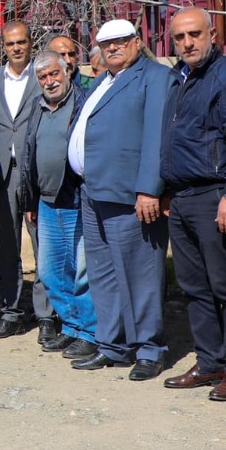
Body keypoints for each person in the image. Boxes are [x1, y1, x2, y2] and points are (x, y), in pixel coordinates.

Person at [159, 9, 226, 401]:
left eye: (194, 34)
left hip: (215, 195)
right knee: (194, 286)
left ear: (213, 34)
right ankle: (210, 361)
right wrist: (168, 188)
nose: (187, 43)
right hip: (182, 197)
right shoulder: (178, 79)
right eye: (180, 37)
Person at [68, 19, 174, 380]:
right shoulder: (103, 80)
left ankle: (149, 348)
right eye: (105, 43)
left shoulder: (155, 77)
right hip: (94, 191)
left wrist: (150, 188)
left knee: (141, 275)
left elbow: (158, 136)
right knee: (103, 274)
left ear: (136, 42)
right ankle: (112, 344)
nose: (112, 48)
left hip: (131, 194)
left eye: (120, 41)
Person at [0, 24, 53, 340]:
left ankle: (47, 314)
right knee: (7, 246)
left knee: (43, 244)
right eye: (10, 43)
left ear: (30, 43)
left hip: (36, 173)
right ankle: (11, 311)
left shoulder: (43, 75)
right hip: (2, 174)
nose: (17, 48)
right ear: (3, 46)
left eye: (22, 42)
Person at [20, 51, 97, 355]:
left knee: (80, 272)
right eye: (43, 77)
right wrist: (30, 198)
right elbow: (28, 155)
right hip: (46, 203)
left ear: (67, 72)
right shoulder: (37, 107)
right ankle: (71, 325)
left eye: (55, 74)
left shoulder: (83, 102)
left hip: (76, 199)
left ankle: (89, 332)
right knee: (52, 272)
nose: (50, 81)